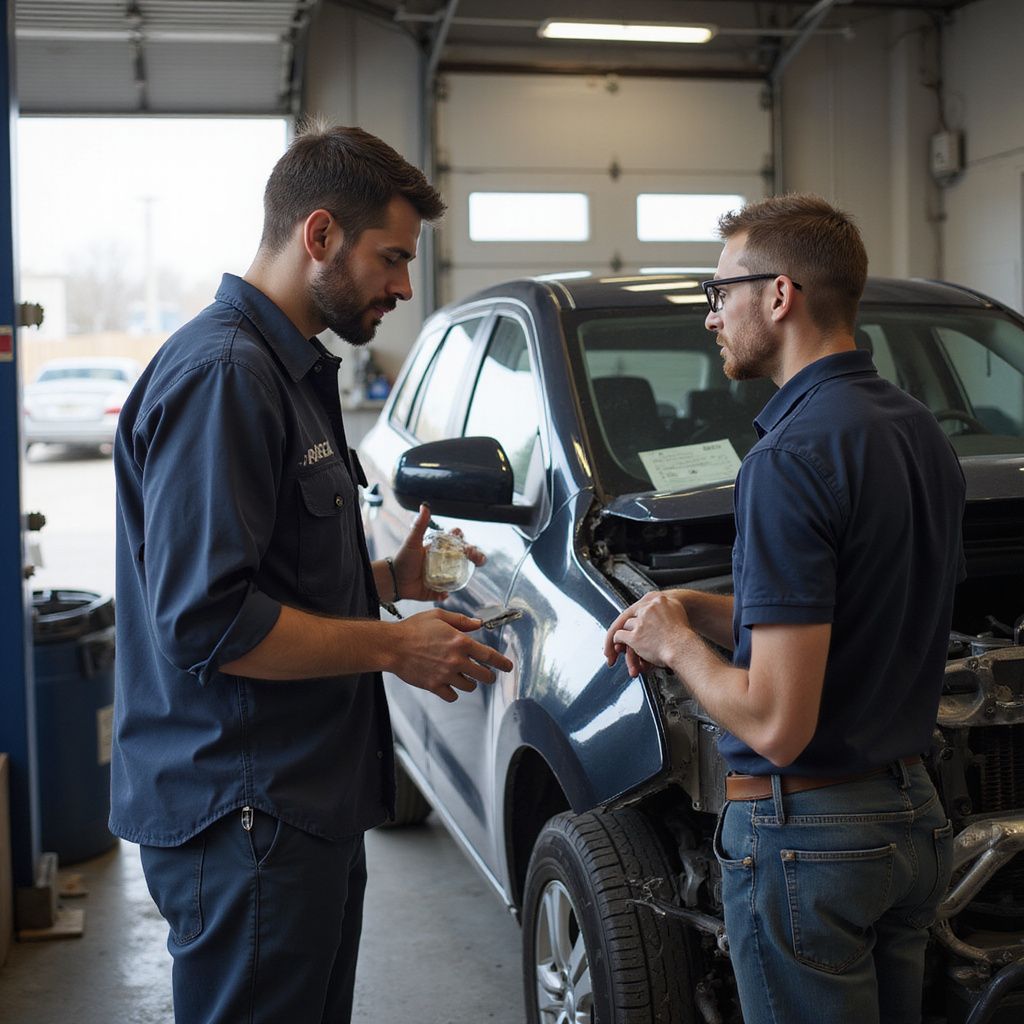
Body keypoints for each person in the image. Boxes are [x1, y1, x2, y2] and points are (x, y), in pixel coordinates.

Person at [110, 123, 514, 1024]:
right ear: (320, 234)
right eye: (393, 258)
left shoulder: (283, 371)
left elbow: (265, 569)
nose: (405, 286)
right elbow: (208, 624)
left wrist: (381, 579)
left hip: (297, 804)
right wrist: (393, 646)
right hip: (248, 812)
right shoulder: (226, 375)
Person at [604, 194, 965, 1024]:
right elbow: (851, 610)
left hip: (812, 839)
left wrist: (676, 645)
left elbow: (774, 723)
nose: (710, 316)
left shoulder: (788, 456)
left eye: (719, 291)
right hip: (911, 822)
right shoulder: (916, 431)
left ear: (779, 294)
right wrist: (701, 607)